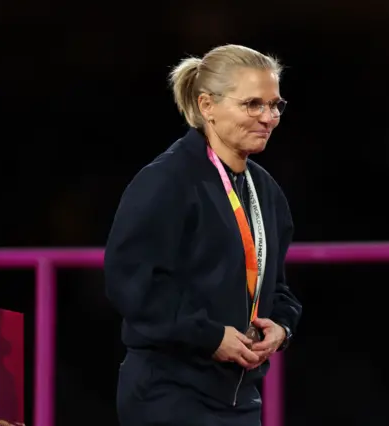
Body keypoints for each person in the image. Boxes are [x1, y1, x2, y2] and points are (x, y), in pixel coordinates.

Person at [104, 44, 303, 426]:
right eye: (253, 104)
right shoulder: (166, 181)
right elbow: (133, 284)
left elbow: (275, 286)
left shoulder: (266, 191)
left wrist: (282, 324)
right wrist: (209, 336)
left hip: (241, 398)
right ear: (207, 105)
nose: (269, 118)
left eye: (275, 105)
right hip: (169, 393)